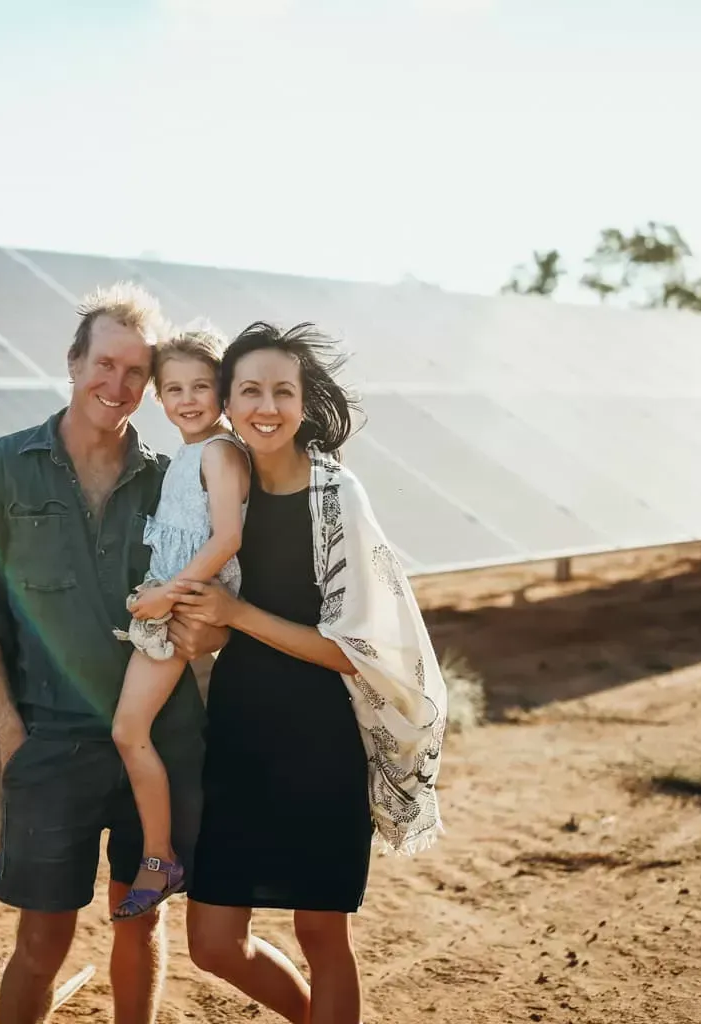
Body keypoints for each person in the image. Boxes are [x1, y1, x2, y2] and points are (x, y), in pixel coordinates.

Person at [0, 283, 227, 1024]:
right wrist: (10, 734)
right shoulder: (1, 471)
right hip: (49, 744)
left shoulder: (175, 483)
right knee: (41, 939)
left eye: (137, 373)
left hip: (160, 746)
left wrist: (207, 630)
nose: (118, 385)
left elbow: (211, 608)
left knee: (142, 923)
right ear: (73, 363)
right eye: (105, 364)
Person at [172, 321, 448, 1024]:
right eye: (251, 390)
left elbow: (355, 651)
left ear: (303, 401)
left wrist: (237, 615)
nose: (268, 406)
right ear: (227, 402)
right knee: (212, 942)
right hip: (238, 731)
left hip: (324, 738)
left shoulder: (338, 497)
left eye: (283, 390)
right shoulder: (218, 480)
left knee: (322, 932)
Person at [108, 324, 250, 921]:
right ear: (159, 398)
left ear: (221, 390)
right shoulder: (191, 454)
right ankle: (162, 852)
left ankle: (160, 858)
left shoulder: (218, 452)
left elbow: (227, 537)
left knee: (127, 730)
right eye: (174, 389)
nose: (188, 399)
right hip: (177, 591)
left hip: (189, 597)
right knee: (137, 730)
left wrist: (167, 595)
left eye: (201, 386)